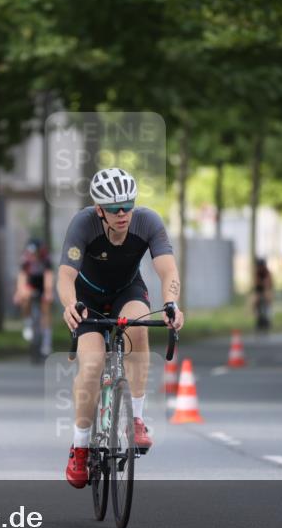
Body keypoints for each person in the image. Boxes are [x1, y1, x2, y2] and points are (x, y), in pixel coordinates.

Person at [58, 168, 184, 489]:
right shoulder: (82, 224)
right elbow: (65, 276)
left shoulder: (148, 222)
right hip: (87, 298)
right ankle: (81, 446)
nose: (123, 213)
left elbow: (168, 271)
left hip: (127, 291)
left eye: (128, 205)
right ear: (99, 209)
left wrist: (171, 304)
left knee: (138, 328)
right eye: (114, 209)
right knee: (92, 365)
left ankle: (137, 419)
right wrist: (70, 304)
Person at [12, 238, 54, 356]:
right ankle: (28, 323)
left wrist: (48, 292)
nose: (33, 256)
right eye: (31, 254)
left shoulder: (45, 258)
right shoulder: (25, 259)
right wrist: (19, 292)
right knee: (24, 298)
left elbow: (48, 276)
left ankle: (46, 342)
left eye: (35, 254)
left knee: (46, 308)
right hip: (30, 283)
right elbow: (22, 277)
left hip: (42, 284)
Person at [253, 257, 274, 331]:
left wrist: (266, 286)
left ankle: (268, 317)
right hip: (259, 289)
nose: (260, 268)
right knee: (255, 300)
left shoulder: (267, 272)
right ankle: (257, 316)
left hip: (267, 288)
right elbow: (256, 282)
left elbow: (269, 283)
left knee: (268, 299)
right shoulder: (257, 272)